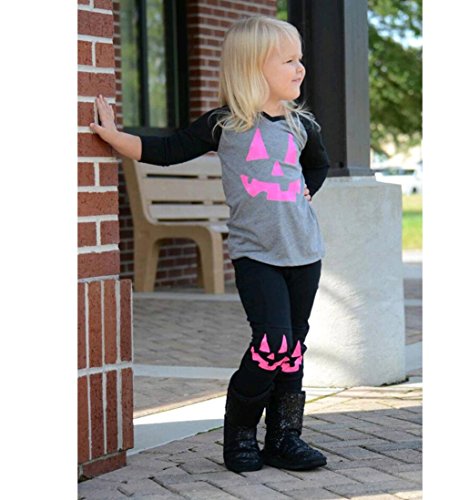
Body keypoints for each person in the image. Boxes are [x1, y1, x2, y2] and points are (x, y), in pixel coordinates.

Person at [90, 15, 330, 473]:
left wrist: (308, 189)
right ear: (252, 67)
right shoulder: (226, 124)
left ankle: (284, 438)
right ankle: (239, 435)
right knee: (272, 344)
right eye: (287, 60)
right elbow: (167, 151)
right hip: (257, 255)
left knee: (293, 349)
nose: (300, 68)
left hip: (305, 253)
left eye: (299, 59)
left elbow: (317, 165)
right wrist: (115, 137)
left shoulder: (302, 125)